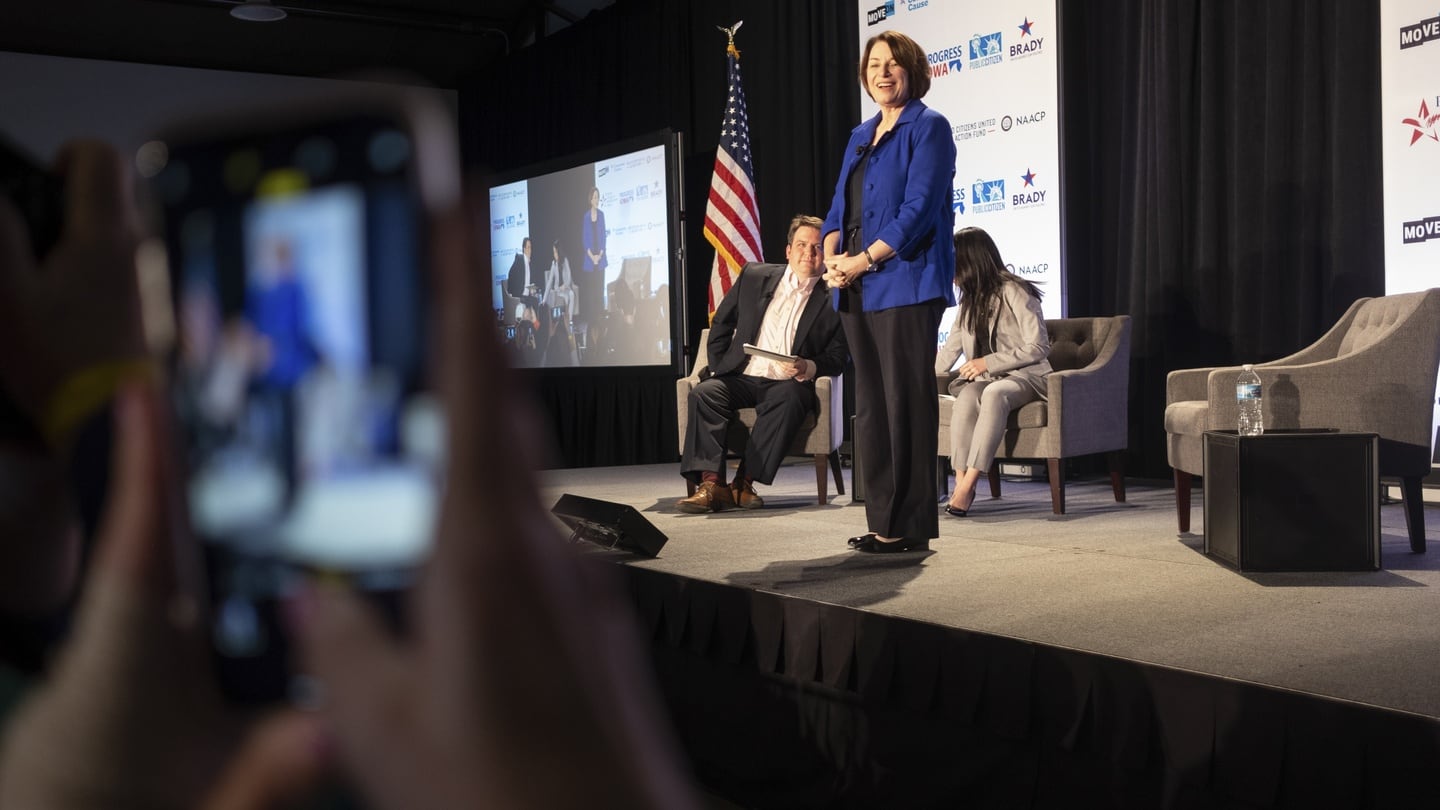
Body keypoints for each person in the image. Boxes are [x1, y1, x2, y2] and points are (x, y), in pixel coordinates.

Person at [0, 140, 700, 810]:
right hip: (266, 375)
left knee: (302, 398)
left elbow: (298, 334)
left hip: (288, 371)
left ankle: (295, 474)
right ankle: (286, 478)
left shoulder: (292, 287)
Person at [822, 30, 956, 553]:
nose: (883, 72)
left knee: (906, 404)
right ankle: (883, 521)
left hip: (906, 281)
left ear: (912, 71)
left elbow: (918, 211)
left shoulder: (930, 128)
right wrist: (834, 255)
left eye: (893, 64)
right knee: (874, 408)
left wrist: (862, 259)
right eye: (874, 64)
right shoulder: (861, 134)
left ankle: (912, 524)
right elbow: (838, 207)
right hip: (855, 287)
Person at [678, 215, 847, 513]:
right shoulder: (755, 276)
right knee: (705, 393)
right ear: (788, 250)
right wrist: (718, 365)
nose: (809, 253)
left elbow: (840, 356)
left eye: (818, 247)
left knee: (792, 398)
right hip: (742, 375)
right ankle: (711, 484)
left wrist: (808, 365)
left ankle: (744, 482)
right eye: (802, 245)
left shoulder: (836, 297)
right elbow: (721, 322)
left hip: (785, 383)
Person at [935, 227, 1051, 517]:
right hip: (988, 380)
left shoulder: (1014, 289)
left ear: (970, 260)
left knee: (995, 392)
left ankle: (970, 483)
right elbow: (950, 350)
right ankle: (961, 481)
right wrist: (921, 378)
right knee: (967, 396)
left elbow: (1038, 346)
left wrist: (987, 362)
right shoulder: (968, 302)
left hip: (1028, 376)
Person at [578, 187, 607, 348]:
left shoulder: (601, 215)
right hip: (590, 261)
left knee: (599, 292)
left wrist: (600, 255)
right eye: (594, 197)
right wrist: (592, 257)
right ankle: (592, 326)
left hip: (600, 260)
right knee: (591, 294)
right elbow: (584, 240)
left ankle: (600, 324)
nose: (596, 199)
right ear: (590, 199)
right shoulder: (586, 216)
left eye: (598, 197)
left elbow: (603, 236)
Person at [543, 238, 576, 325]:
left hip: (566, 288)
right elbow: (550, 282)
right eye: (553, 252)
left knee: (572, 294)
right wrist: (544, 299)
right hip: (558, 291)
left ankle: (570, 320)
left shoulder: (565, 261)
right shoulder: (553, 264)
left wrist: (565, 285)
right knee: (566, 297)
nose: (554, 254)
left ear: (559, 251)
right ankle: (564, 321)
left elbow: (569, 276)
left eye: (555, 252)